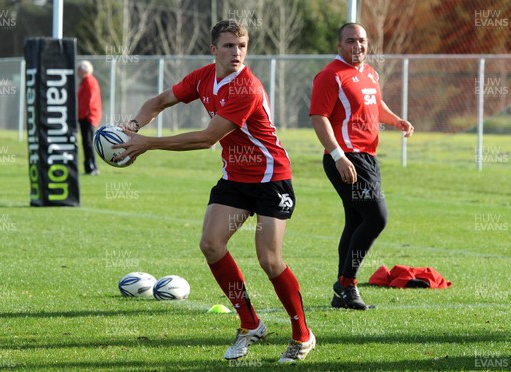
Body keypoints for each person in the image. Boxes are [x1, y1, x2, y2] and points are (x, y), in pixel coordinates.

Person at [113, 19, 315, 363]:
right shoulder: (203, 78)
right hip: (235, 178)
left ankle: (302, 335)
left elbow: (207, 138)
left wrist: (147, 143)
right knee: (210, 244)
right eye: (229, 46)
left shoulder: (246, 88)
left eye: (242, 46)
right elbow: (160, 100)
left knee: (268, 260)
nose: (237, 53)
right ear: (214, 50)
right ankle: (250, 323)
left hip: (270, 177)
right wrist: (132, 126)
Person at [309, 23, 414, 310]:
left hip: (368, 157)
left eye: (362, 40)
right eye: (350, 40)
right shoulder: (330, 75)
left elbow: (376, 103)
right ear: (339, 45)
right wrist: (337, 155)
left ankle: (342, 292)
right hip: (347, 158)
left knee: (357, 222)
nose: (358, 46)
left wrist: (396, 121)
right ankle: (347, 283)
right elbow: (319, 117)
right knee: (377, 218)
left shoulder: (369, 73)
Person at [77, 60, 102, 175]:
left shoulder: (89, 81)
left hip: (88, 117)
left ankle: (93, 167)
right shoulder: (84, 81)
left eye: (79, 69)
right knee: (86, 142)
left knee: (88, 142)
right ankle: (88, 167)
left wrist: (85, 114)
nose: (77, 72)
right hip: (85, 116)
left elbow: (89, 100)